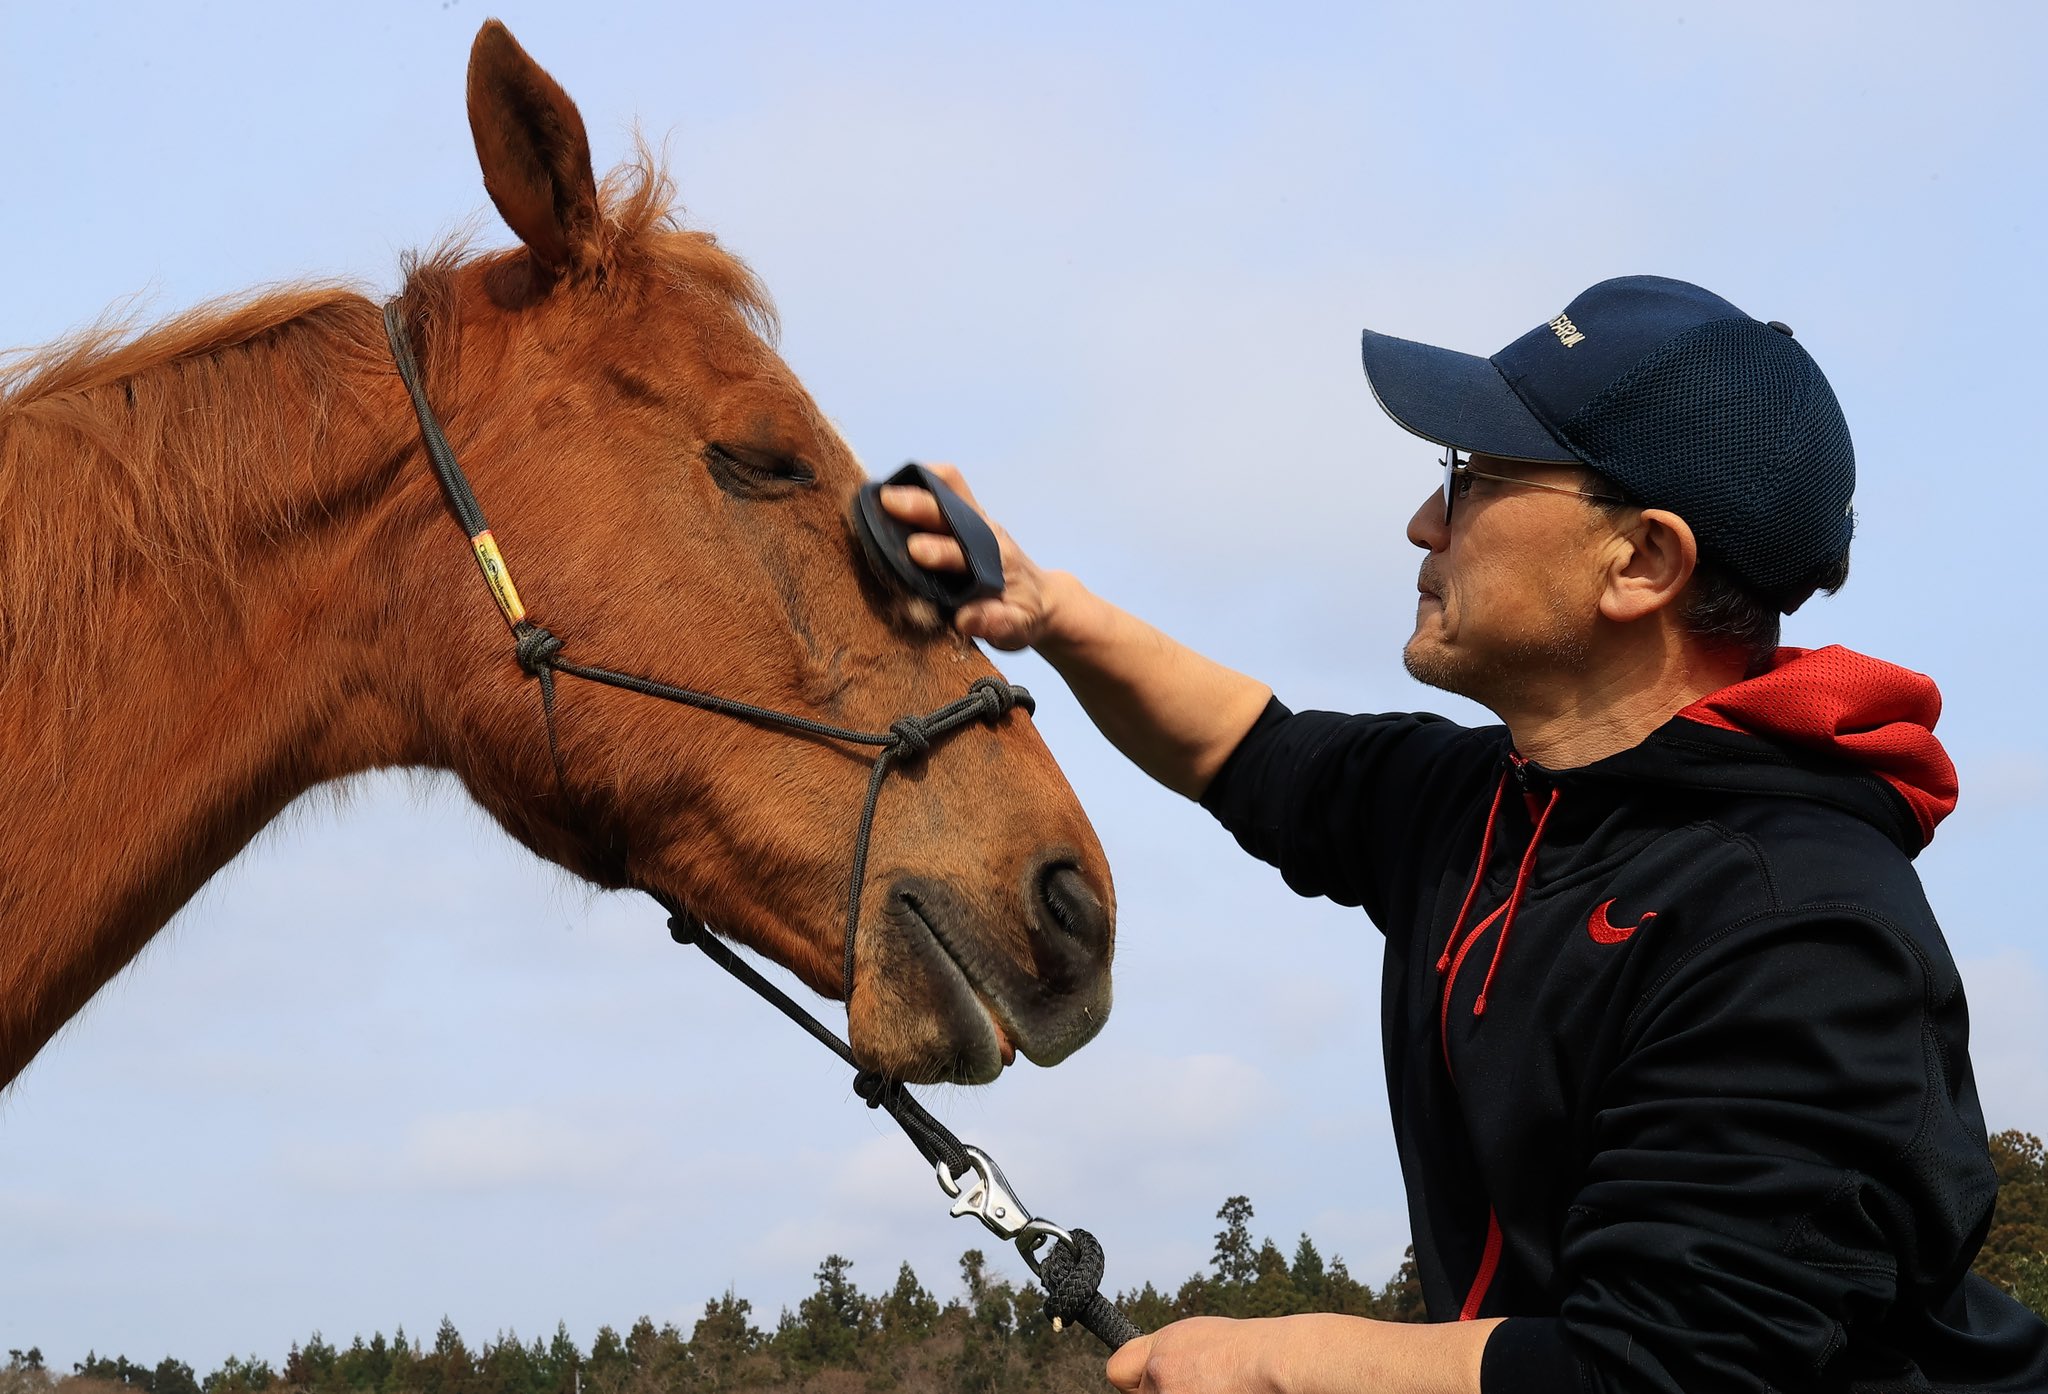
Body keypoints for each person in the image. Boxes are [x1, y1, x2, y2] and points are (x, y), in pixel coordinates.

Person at [878, 275, 2048, 1393]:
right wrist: (1051, 609)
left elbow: (1657, 1368)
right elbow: (1247, 750)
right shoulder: (1490, 800)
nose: (1421, 521)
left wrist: (1271, 1359)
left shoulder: (1791, 924)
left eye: (1475, 476)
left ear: (1639, 560)